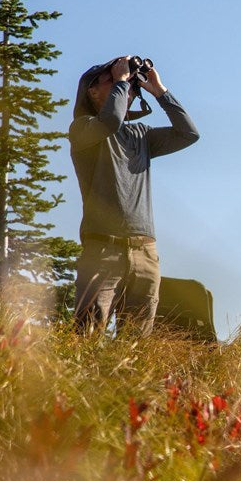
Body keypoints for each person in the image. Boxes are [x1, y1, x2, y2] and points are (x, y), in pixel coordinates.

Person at [69, 56, 199, 336]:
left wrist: (159, 91)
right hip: (103, 249)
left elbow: (188, 134)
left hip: (145, 251)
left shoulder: (141, 135)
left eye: (128, 82)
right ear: (92, 91)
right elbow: (111, 122)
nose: (126, 85)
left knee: (136, 344)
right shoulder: (83, 130)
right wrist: (121, 80)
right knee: (87, 336)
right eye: (111, 79)